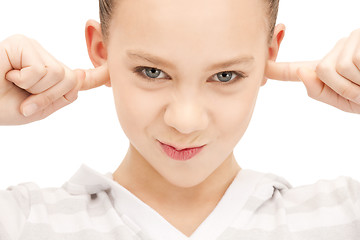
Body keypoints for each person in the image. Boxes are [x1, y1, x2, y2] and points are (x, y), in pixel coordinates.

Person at [0, 0, 359, 239]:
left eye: (225, 75)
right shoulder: (22, 222)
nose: (185, 122)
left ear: (269, 53)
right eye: (152, 72)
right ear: (100, 50)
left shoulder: (345, 215)